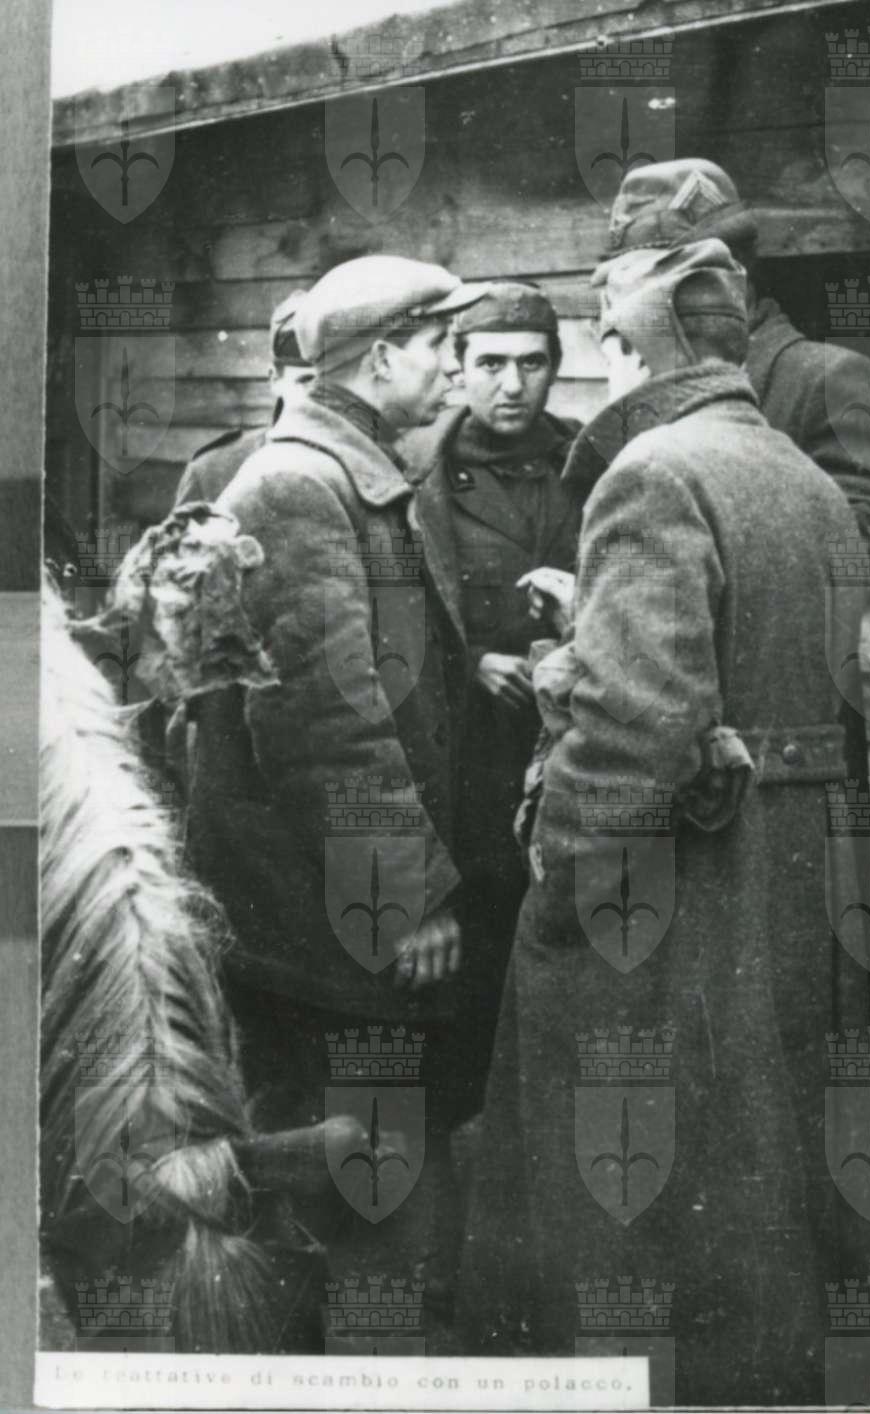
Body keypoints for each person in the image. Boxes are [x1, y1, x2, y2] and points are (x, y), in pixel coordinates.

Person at [455, 232, 857, 1406]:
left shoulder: (652, 472)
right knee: (755, 1160)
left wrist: (561, 876)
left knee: (625, 1190)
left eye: (606, 342)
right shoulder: (803, 475)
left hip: (672, 885)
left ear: (632, 349)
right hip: (786, 868)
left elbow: (641, 723)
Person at [183, 255, 489, 1342]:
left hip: (330, 906)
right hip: (318, 919)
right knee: (343, 1171)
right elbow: (325, 723)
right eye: (441, 346)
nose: (455, 368)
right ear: (381, 357)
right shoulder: (297, 487)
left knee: (369, 1163)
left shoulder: (350, 474)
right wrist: (405, 896)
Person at [398, 284, 581, 1309]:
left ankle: (532, 1252)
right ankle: (442, 1258)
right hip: (461, 781)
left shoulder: (592, 459)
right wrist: (470, 662)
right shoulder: (414, 472)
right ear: (458, 368)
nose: (513, 384)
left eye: (533, 362)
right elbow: (390, 617)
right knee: (454, 1017)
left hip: (564, 775)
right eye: (490, 363)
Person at [594, 157, 870, 585]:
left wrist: (714, 557)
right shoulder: (643, 379)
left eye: (670, 284)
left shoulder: (828, 378)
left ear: (736, 278)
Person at [175, 289, 316, 507]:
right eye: (306, 381)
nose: (324, 397)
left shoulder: (368, 465)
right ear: (275, 379)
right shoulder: (213, 471)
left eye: (335, 384)